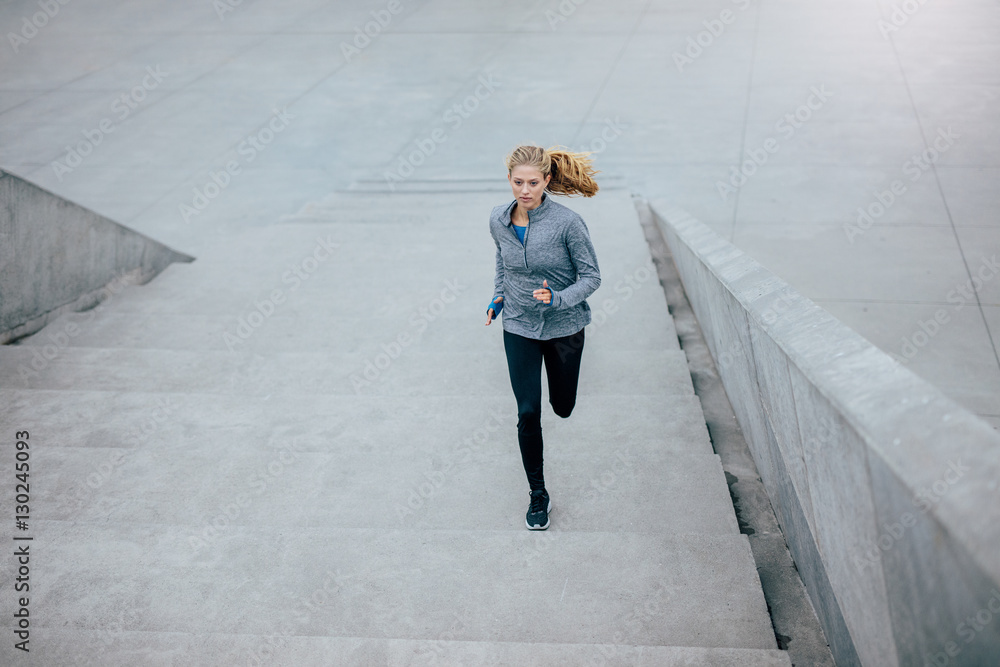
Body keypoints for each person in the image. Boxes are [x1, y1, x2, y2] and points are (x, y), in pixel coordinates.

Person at [485, 144, 601, 530]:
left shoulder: (568, 223)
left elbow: (592, 277)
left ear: (547, 181)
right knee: (527, 412)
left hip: (564, 328)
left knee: (562, 406)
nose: (525, 190)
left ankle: (563, 400)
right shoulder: (498, 220)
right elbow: (502, 260)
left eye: (533, 183)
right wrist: (498, 296)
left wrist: (559, 299)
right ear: (509, 180)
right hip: (517, 324)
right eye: (518, 182)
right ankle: (538, 494)